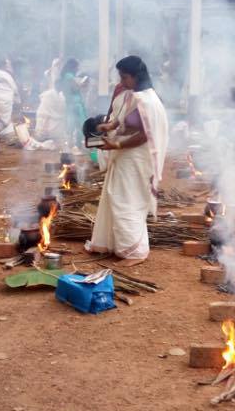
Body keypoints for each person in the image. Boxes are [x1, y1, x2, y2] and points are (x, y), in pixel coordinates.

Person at [89, 55, 169, 267]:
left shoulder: (148, 100)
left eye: (125, 78)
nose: (122, 82)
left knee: (127, 201)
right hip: (125, 156)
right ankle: (118, 244)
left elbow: (145, 135)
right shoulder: (133, 96)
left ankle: (135, 251)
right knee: (116, 196)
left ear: (136, 76)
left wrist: (116, 145)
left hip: (137, 158)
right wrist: (110, 126)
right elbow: (122, 118)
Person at [59, 58, 87, 149]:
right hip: (75, 104)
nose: (78, 69)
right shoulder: (69, 76)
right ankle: (77, 146)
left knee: (71, 126)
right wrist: (82, 84)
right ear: (73, 67)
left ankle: (69, 146)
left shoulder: (64, 76)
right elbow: (74, 88)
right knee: (78, 125)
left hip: (69, 103)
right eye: (77, 67)